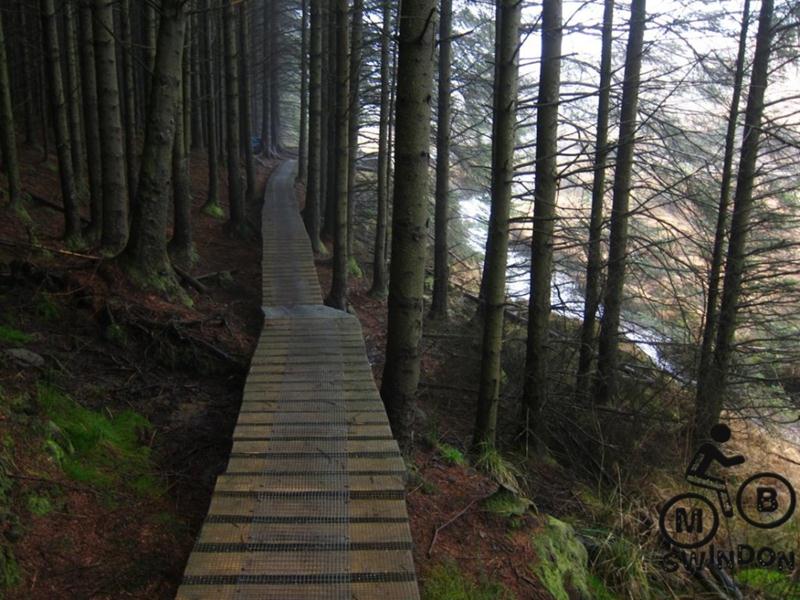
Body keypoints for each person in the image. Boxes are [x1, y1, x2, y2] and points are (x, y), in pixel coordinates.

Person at [685, 423, 745, 517]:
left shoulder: (708, 446)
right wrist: (740, 459)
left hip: (694, 475)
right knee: (720, 485)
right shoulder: (710, 447)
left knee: (719, 484)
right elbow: (725, 462)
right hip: (694, 477)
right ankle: (728, 513)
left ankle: (727, 512)